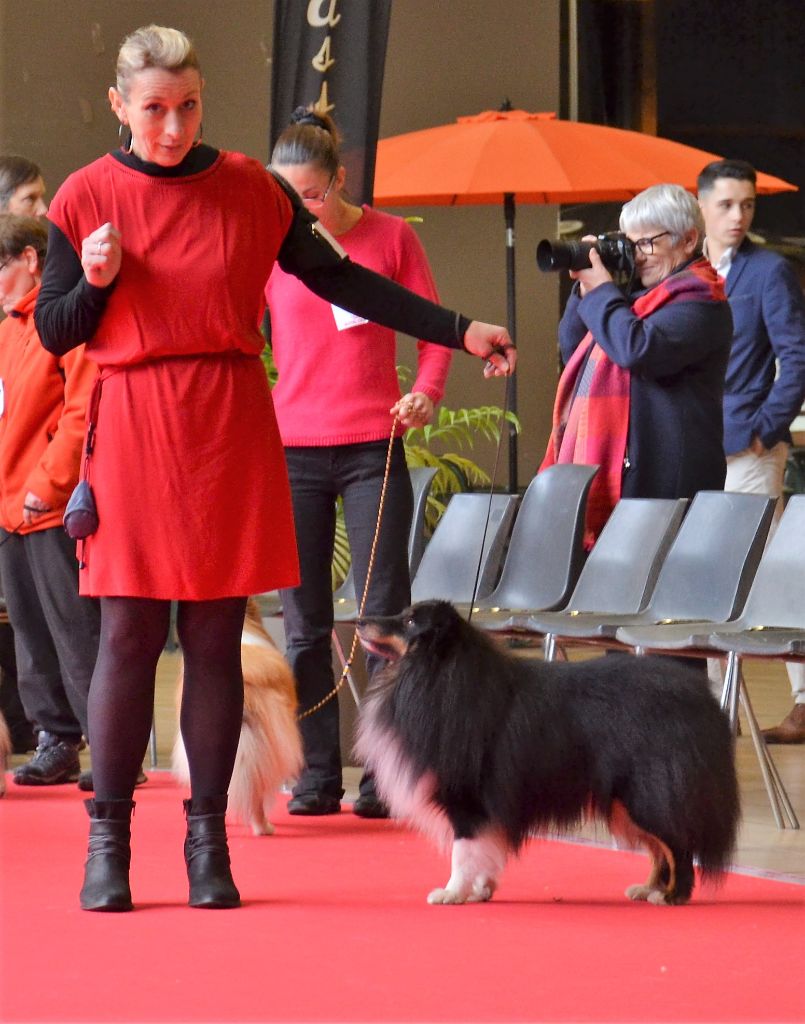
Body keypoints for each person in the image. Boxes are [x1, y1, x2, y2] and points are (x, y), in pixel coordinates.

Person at [34, 24, 515, 913]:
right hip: (135, 422)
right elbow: (56, 328)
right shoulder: (86, 194)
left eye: (187, 107)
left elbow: (344, 282)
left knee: (217, 640)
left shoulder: (251, 188)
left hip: (226, 422)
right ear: (118, 105)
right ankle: (108, 845)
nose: (172, 127)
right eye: (152, 110)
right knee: (130, 638)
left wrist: (457, 329)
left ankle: (208, 842)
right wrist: (95, 280)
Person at [267, 108, 453, 818]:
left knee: (381, 617)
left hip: (373, 446)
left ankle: (383, 772)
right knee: (305, 623)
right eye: (287, 198)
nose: (299, 210)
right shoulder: (273, 248)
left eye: (310, 196)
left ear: (340, 181)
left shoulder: (390, 237)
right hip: (293, 451)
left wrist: (424, 393)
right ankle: (316, 773)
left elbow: (433, 329)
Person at [541, 183, 732, 544]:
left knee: (658, 589)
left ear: (688, 239)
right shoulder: (635, 297)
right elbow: (572, 350)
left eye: (647, 243)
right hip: (625, 470)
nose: (638, 255)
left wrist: (603, 294)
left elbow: (637, 349)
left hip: (667, 476)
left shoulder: (702, 301)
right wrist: (586, 287)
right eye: (631, 244)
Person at [698, 159, 805, 743]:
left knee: (760, 572)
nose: (738, 216)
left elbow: (798, 357)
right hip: (696, 445)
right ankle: (718, 710)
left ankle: (803, 700)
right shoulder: (686, 270)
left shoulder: (769, 272)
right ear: (702, 208)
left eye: (748, 205)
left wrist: (766, 426)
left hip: (751, 446)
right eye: (727, 205)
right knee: (707, 573)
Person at [0, 215, 101, 787]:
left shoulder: (59, 320)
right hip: (9, 506)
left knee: (76, 631)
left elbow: (81, 411)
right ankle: (56, 740)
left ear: (31, 260)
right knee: (30, 634)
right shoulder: (5, 330)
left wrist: (50, 482)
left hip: (49, 504)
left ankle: (112, 748)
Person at [0, 155, 48, 755]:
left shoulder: (48, 313)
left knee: (45, 628)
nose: (45, 209)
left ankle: (52, 734)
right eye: (31, 200)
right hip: (13, 490)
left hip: (39, 493)